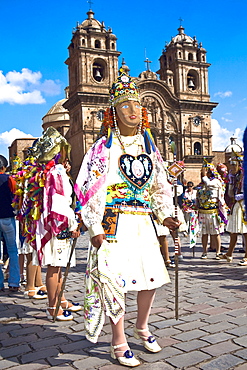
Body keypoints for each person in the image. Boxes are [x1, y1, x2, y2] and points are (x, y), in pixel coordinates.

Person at [75, 69, 180, 367]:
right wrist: (94, 225)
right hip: (113, 222)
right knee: (113, 282)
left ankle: (142, 326)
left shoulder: (150, 149)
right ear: (113, 113)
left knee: (150, 279)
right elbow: (88, 187)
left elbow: (160, 186)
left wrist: (166, 215)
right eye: (125, 106)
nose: (133, 111)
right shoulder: (101, 149)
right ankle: (118, 340)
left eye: (137, 106)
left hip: (143, 222)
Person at [13, 128, 81, 319]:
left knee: (57, 267)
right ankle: (53, 307)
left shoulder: (46, 172)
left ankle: (59, 300)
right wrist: (72, 224)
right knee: (54, 267)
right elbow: (60, 204)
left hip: (48, 226)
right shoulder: (57, 173)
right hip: (57, 227)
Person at [219, 152, 247, 265]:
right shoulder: (235, 177)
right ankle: (229, 253)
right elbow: (230, 194)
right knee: (233, 230)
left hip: (244, 204)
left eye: (233, 164)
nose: (231, 167)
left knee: (245, 232)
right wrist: (230, 183)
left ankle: (246, 256)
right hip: (237, 204)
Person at [196, 160, 228, 259]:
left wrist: (204, 175)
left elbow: (209, 184)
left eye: (208, 171)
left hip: (213, 210)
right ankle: (204, 251)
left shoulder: (216, 181)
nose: (206, 173)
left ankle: (218, 252)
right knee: (204, 233)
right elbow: (198, 196)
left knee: (215, 232)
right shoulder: (202, 184)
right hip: (203, 211)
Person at [0, 155, 20, 292]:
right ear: (4, 167)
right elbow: (15, 196)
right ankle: (14, 282)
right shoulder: (9, 179)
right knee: (13, 250)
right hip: (7, 217)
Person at [182, 181, 198, 248]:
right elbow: (184, 200)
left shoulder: (195, 192)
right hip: (187, 209)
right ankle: (185, 231)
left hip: (194, 208)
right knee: (187, 220)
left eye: (190, 186)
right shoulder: (185, 193)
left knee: (194, 221)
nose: (189, 188)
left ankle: (196, 232)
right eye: (188, 186)